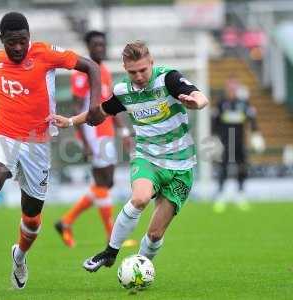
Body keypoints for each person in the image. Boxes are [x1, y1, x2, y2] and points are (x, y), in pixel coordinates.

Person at [0, 12, 101, 290]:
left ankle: (20, 256)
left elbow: (91, 67)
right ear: (1, 40)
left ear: (30, 38)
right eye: (11, 42)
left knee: (31, 215)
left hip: (38, 143)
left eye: (23, 41)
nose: (17, 48)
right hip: (5, 134)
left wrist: (95, 106)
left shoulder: (45, 53)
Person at [51, 41, 209, 272]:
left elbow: (198, 95)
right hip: (148, 158)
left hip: (181, 165)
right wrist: (71, 121)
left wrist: (196, 102)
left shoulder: (168, 79)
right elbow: (100, 112)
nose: (139, 76)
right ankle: (110, 252)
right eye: (133, 72)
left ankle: (139, 269)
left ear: (151, 63)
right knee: (140, 199)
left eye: (143, 70)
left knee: (155, 235)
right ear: (125, 68)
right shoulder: (123, 91)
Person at [54, 30, 134, 248]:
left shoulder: (104, 71)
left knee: (104, 183)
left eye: (102, 44)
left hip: (106, 132)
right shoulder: (82, 74)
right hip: (93, 135)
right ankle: (111, 235)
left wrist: (124, 132)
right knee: (104, 182)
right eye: (95, 44)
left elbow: (110, 107)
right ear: (88, 47)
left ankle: (66, 221)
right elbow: (77, 108)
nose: (100, 47)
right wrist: (84, 141)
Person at [212, 75, 264, 213]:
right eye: (230, 87)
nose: (232, 90)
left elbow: (252, 119)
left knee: (242, 166)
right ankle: (221, 194)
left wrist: (256, 135)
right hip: (224, 142)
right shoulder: (221, 104)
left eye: (234, 87)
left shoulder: (243, 103)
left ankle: (240, 193)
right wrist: (214, 138)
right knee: (223, 167)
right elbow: (214, 122)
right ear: (226, 88)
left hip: (240, 141)